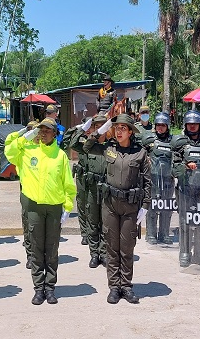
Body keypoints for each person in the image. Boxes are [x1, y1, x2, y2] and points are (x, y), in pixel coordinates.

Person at [5, 117, 76, 305]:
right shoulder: (27, 151)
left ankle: (50, 288)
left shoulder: (60, 156)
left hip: (53, 207)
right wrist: (26, 135)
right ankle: (38, 288)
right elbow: (9, 150)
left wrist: (68, 207)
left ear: (55, 133)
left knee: (51, 250)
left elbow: (68, 184)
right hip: (34, 207)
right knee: (36, 249)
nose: (43, 133)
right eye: (40, 130)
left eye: (47, 130)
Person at [83, 114, 151, 304]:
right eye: (117, 128)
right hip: (110, 204)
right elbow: (86, 147)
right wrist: (101, 130)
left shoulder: (140, 153)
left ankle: (126, 286)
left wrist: (146, 206)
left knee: (127, 248)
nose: (119, 131)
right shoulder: (108, 149)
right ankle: (114, 287)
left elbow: (148, 181)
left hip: (130, 206)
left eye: (123, 128)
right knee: (112, 247)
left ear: (130, 132)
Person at [171, 110, 200, 269]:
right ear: (186, 125)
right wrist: (185, 166)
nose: (193, 127)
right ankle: (185, 253)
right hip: (185, 189)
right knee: (185, 222)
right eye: (190, 124)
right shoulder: (180, 143)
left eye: (195, 124)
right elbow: (173, 169)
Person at [70, 115, 108, 267]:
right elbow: (73, 143)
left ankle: (103, 253)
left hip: (107, 190)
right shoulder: (88, 145)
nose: (99, 129)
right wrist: (84, 128)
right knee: (92, 222)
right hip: (92, 189)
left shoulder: (111, 145)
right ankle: (94, 254)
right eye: (96, 127)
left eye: (102, 127)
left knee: (105, 223)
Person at [141, 112, 174, 245]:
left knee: (166, 208)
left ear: (167, 126)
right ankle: (151, 233)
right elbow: (141, 154)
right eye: (158, 125)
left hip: (168, 180)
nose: (160, 128)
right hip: (153, 179)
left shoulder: (173, 141)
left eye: (163, 125)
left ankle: (164, 233)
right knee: (152, 207)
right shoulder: (149, 140)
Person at [12, 120, 40, 269]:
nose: (35, 135)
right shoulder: (23, 149)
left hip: (44, 193)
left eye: (37, 131)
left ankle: (41, 256)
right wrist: (22, 134)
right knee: (28, 225)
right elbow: (10, 145)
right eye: (31, 131)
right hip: (27, 191)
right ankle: (30, 256)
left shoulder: (46, 149)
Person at [60, 119, 90, 247]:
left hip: (96, 176)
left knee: (94, 206)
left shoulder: (99, 140)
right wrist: (77, 129)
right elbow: (67, 141)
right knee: (82, 205)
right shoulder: (80, 140)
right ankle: (84, 234)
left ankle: (94, 233)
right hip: (82, 176)